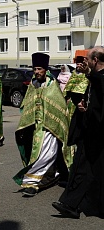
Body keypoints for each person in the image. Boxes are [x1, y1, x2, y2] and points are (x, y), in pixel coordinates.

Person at [52, 46, 104, 219]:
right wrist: (84, 107)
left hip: (97, 133)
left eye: (88, 59)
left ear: (95, 60)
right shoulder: (94, 78)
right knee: (82, 168)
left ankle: (74, 204)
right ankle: (71, 204)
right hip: (89, 131)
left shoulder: (100, 78)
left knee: (89, 170)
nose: (86, 62)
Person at [13, 52, 71, 197]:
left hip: (49, 127)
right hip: (35, 127)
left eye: (39, 69)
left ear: (45, 69)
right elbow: (26, 104)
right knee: (37, 154)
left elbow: (59, 107)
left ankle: (31, 182)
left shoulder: (52, 85)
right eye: (35, 69)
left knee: (46, 154)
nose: (37, 72)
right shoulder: (33, 84)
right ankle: (51, 175)